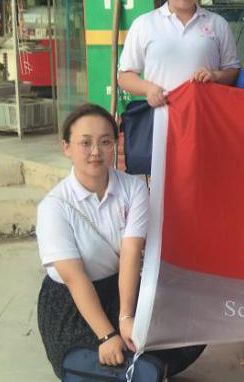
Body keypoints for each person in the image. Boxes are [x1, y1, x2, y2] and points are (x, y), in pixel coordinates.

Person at [36, 104, 203, 380]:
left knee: (191, 323)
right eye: (85, 143)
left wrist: (126, 318)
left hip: (122, 288)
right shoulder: (53, 207)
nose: (96, 151)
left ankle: (144, 369)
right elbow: (75, 278)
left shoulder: (133, 188)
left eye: (105, 142)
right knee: (95, 358)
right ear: (67, 147)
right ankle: (138, 369)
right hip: (73, 304)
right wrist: (107, 334)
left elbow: (131, 252)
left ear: (115, 144)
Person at [118, 0, 240, 107]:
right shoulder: (144, 24)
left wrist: (215, 76)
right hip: (162, 116)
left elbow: (233, 71)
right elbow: (125, 77)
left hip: (205, 115)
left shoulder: (217, 24)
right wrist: (148, 89)